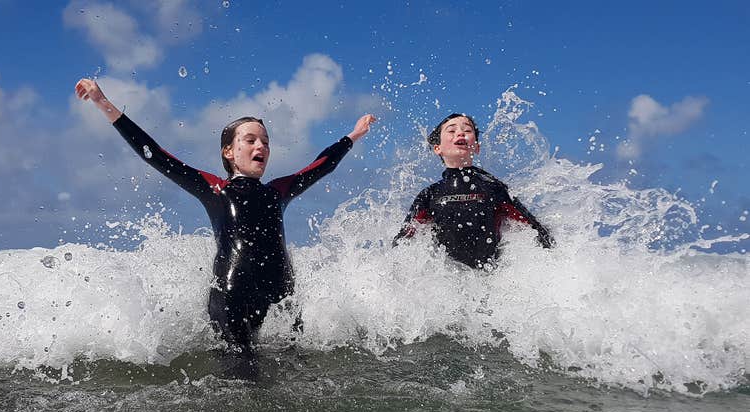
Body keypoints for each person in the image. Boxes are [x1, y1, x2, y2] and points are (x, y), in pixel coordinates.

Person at [75, 78, 375, 355]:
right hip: (233, 295)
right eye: (251, 140)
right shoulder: (214, 189)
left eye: (266, 142)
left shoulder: (278, 190)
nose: (262, 146)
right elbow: (155, 153)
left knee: (295, 373)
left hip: (281, 293)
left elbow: (322, 164)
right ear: (229, 152)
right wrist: (103, 103)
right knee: (240, 377)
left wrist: (354, 135)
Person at [393, 113, 553, 269]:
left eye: (468, 130)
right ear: (437, 148)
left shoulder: (494, 190)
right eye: (451, 130)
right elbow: (402, 241)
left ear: (476, 147)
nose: (460, 133)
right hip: (445, 286)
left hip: (491, 282)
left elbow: (537, 230)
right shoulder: (430, 195)